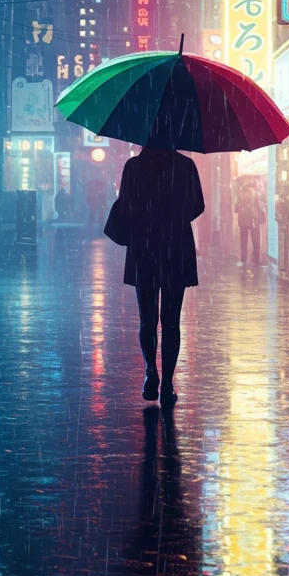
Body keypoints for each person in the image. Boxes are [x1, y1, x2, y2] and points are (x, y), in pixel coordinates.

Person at [109, 148, 205, 406]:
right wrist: (173, 218)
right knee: (171, 321)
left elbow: (126, 204)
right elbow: (198, 205)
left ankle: (151, 371)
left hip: (144, 248)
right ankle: (169, 384)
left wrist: (148, 218)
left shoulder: (133, 166)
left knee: (147, 318)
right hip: (176, 248)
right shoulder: (185, 166)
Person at [235, 181, 264, 266]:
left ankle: (243, 260)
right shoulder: (255, 195)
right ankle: (256, 260)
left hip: (244, 220)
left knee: (243, 241)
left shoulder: (240, 194)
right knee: (256, 241)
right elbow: (260, 208)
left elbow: (237, 208)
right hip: (253, 220)